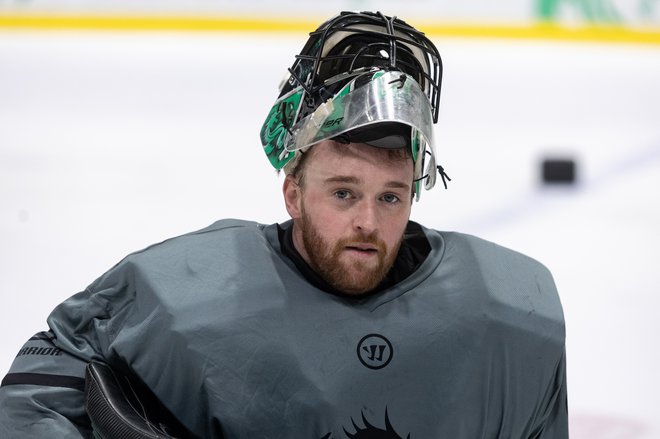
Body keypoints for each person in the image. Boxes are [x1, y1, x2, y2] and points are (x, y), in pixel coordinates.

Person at [0, 11, 568, 438]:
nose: (368, 222)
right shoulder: (185, 295)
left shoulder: (511, 316)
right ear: (292, 191)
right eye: (343, 192)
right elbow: (43, 383)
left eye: (391, 197)